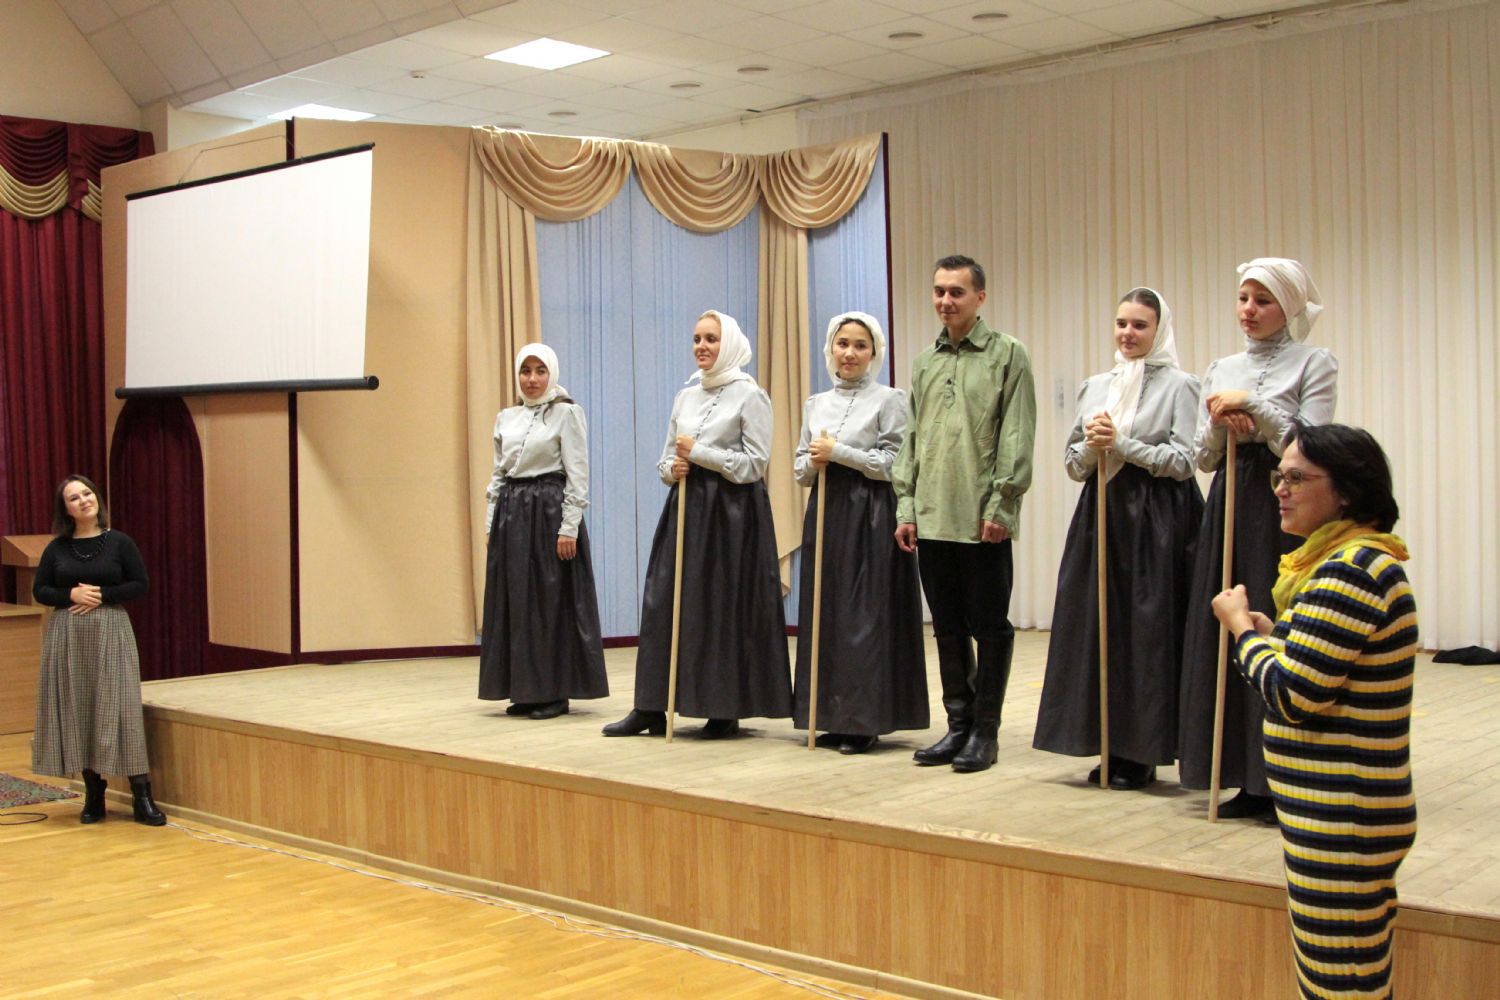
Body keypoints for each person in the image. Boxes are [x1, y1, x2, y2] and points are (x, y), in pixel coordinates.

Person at [1211, 422, 1416, 1000]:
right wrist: (1273, 636)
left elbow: (1293, 694)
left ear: (1346, 491)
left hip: (1341, 819)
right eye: (1280, 476)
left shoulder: (1350, 568)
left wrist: (1240, 633)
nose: (1281, 489)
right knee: (1347, 978)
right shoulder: (1344, 561)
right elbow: (1321, 667)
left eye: (1298, 478)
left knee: (1340, 985)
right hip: (1337, 816)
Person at [1177, 257, 1338, 821]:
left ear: (1287, 308)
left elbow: (1314, 441)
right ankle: (1240, 772)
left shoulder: (1315, 362)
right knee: (1227, 620)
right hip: (1229, 498)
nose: (1248, 310)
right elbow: (1201, 457)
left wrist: (1255, 408)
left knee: (1275, 616)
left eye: (1262, 301)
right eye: (1244, 298)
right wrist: (1222, 424)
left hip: (1284, 502)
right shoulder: (1221, 367)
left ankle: (1281, 775)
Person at [1033, 288, 1203, 789]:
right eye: (1122, 323)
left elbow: (1185, 462)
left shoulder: (1181, 386)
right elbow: (1073, 464)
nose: (1128, 333)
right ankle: (1104, 738)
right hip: (1102, 514)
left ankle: (1142, 748)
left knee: (1147, 632)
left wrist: (1123, 444)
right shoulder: (1096, 386)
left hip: (1158, 520)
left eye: (1140, 325)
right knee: (1097, 624)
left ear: (1159, 330)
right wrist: (1093, 446)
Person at [603, 310, 792, 738]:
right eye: (697, 339)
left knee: (720, 606)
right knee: (663, 602)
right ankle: (651, 705)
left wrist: (700, 454)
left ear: (729, 344)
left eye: (710, 339)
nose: (701, 347)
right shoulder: (686, 395)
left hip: (732, 516)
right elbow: (666, 459)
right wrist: (672, 468)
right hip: (686, 509)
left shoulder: (750, 395)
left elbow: (755, 464)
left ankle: (723, 708)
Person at [893, 255, 1036, 773]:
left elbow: (1016, 433)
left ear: (980, 297)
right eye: (939, 291)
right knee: (947, 627)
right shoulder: (924, 362)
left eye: (956, 292)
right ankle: (958, 725)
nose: (946, 301)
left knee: (989, 627)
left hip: (981, 519)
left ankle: (986, 732)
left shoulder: (1007, 354)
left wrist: (1002, 503)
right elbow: (912, 437)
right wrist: (907, 505)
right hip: (932, 516)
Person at [792, 311, 927, 754]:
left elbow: (895, 464)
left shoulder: (890, 399)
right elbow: (800, 469)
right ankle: (830, 715)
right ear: (830, 348)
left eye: (860, 346)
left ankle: (864, 718)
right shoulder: (815, 403)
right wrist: (814, 460)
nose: (849, 353)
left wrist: (839, 453)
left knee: (863, 617)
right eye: (842, 344)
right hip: (826, 512)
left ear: (874, 353)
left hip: (870, 513)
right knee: (828, 613)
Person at [479, 343, 608, 719]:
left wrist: (569, 526)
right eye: (526, 371)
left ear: (551, 374)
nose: (532, 379)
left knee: (548, 604)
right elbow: (498, 474)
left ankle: (554, 692)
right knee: (517, 603)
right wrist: (491, 523)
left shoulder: (566, 413)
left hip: (548, 512)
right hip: (512, 514)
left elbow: (578, 473)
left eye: (540, 371)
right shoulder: (506, 417)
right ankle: (525, 689)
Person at [31, 474, 164, 826]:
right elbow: (40, 590)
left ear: (97, 498)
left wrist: (102, 595)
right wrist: (70, 595)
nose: (83, 500)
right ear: (66, 509)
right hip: (68, 636)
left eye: (87, 493)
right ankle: (94, 793)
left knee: (121, 707)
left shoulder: (119, 542)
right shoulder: (56, 548)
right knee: (79, 708)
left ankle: (141, 795)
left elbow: (140, 584)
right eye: (74, 498)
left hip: (111, 630)